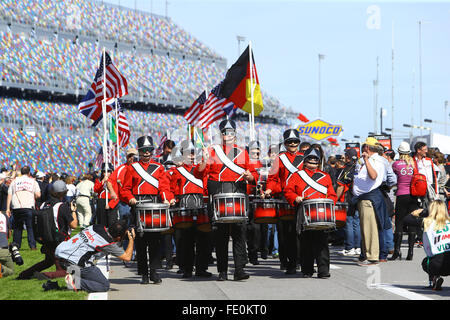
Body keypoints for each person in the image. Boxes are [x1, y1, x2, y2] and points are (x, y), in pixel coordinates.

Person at [194, 119, 258, 281]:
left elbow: (253, 175)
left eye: (230, 132)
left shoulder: (243, 153)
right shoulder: (212, 152)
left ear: (235, 135)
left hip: (238, 195)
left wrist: (250, 176)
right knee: (220, 236)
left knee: (239, 234)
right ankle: (222, 271)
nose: (227, 135)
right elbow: (198, 173)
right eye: (224, 132)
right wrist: (204, 160)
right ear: (221, 135)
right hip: (218, 196)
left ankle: (239, 270)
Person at [121, 135, 174, 284]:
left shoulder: (159, 167)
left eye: (149, 150)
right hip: (138, 206)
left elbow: (164, 187)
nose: (146, 153)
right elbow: (125, 189)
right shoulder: (132, 168)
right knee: (141, 242)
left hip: (155, 206)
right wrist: (130, 198)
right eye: (144, 150)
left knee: (155, 241)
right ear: (139, 151)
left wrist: (165, 198)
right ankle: (144, 273)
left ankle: (154, 272)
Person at [284, 147, 337, 278]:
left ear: (319, 162)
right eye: (310, 159)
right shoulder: (297, 175)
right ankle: (307, 269)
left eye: (315, 159)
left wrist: (327, 203)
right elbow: (288, 191)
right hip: (303, 211)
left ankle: (323, 270)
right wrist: (295, 197)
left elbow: (332, 195)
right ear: (305, 161)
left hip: (320, 213)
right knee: (305, 242)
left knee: (322, 242)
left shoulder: (325, 176)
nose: (313, 161)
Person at [16, 180, 78, 280]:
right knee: (66, 269)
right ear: (64, 193)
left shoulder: (43, 205)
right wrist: (73, 211)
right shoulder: (62, 206)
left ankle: (24, 274)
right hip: (60, 242)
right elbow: (74, 225)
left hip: (47, 241)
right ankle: (46, 275)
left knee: (48, 261)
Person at [169, 139, 212, 278]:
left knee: (203, 239)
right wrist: (171, 198)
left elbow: (205, 187)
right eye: (188, 153)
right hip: (184, 207)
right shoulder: (177, 171)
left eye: (193, 153)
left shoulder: (201, 169)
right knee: (185, 240)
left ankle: (201, 268)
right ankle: (186, 269)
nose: (191, 156)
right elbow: (171, 188)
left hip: (199, 205)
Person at [55, 221, 135, 292]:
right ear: (118, 237)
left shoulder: (96, 226)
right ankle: (75, 282)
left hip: (60, 255)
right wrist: (131, 239)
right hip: (73, 263)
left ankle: (69, 280)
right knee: (104, 285)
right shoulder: (107, 243)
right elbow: (127, 257)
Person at [265, 129, 304, 273]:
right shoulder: (279, 159)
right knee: (283, 232)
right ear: (285, 143)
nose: (293, 144)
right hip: (283, 198)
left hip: (300, 198)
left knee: (299, 231)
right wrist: (269, 189)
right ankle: (284, 260)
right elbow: (273, 179)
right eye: (289, 142)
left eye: (295, 141)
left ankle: (298, 260)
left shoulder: (304, 157)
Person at [351, 137, 389, 266]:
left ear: (367, 148)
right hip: (364, 197)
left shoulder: (375, 161)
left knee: (370, 229)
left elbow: (373, 176)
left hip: (369, 197)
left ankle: (372, 257)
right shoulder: (375, 160)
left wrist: (366, 160)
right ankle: (365, 254)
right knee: (365, 228)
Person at [390, 141, 420, 261]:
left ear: (399, 152)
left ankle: (397, 251)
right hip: (413, 196)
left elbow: (392, 179)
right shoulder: (414, 164)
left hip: (401, 195)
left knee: (399, 223)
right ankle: (410, 252)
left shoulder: (396, 164)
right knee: (412, 222)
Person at [6, 166, 41, 250]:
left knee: (17, 227)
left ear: (21, 172)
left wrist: (8, 208)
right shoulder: (33, 181)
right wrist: (34, 196)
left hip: (16, 206)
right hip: (28, 205)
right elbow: (38, 195)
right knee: (30, 227)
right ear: (29, 173)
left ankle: (16, 245)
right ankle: (32, 246)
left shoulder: (14, 181)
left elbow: (9, 194)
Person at [418, 200, 450, 290]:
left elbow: (407, 220)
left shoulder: (427, 222)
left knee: (426, 261)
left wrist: (420, 212)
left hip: (436, 264)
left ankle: (435, 279)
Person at [245, 140, 268, 265]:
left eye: (257, 151)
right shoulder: (245, 164)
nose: (255, 153)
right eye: (253, 151)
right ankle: (252, 254)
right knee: (252, 228)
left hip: (261, 198)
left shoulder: (264, 164)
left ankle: (263, 249)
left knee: (263, 227)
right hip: (249, 198)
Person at [336, 148, 360, 256]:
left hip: (349, 199)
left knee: (349, 223)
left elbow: (340, 186)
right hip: (360, 198)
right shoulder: (360, 168)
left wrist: (334, 200)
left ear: (347, 157)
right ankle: (358, 247)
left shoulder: (345, 169)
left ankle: (349, 248)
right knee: (357, 223)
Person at [94, 163, 117, 227]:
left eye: (108, 171)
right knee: (101, 222)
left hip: (111, 201)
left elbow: (116, 193)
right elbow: (96, 189)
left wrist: (111, 204)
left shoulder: (115, 180)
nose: (106, 173)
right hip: (101, 201)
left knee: (112, 222)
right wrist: (103, 181)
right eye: (104, 171)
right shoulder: (98, 180)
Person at [0, 210, 15, 277]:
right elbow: (9, 235)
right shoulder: (4, 215)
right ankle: (1, 269)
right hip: (3, 250)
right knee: (11, 270)